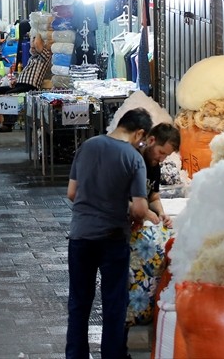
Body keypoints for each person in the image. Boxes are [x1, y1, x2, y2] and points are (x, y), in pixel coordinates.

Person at [65, 108, 151, 359]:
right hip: (112, 238)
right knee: (114, 304)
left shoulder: (87, 146)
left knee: (79, 303)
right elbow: (140, 208)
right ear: (139, 133)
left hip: (80, 236)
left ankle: (75, 355)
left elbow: (72, 193)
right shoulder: (133, 158)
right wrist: (126, 208)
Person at [0, 44, 51, 132]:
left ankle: (8, 124)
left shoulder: (44, 57)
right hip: (20, 84)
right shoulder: (31, 59)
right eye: (31, 48)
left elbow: (38, 43)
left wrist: (35, 40)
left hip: (30, 86)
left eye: (34, 48)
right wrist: (16, 81)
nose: (32, 49)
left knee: (8, 95)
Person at [137, 123, 181, 227]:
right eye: (161, 152)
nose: (162, 159)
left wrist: (161, 213)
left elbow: (153, 197)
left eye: (166, 155)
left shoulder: (155, 165)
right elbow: (115, 199)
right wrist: (144, 212)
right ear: (151, 141)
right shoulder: (132, 159)